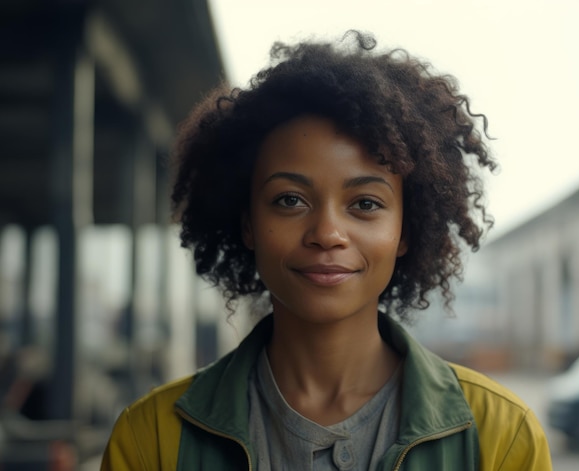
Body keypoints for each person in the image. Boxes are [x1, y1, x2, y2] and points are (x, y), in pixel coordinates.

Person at [100, 31, 552, 470]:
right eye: (290, 200)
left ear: (405, 231)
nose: (327, 233)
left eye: (365, 204)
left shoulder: (500, 436)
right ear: (248, 224)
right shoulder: (151, 440)